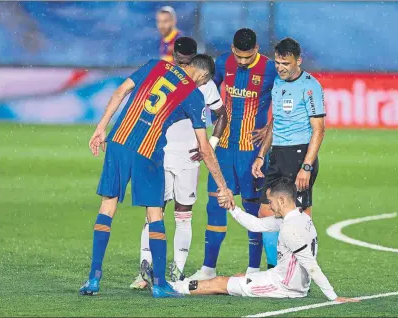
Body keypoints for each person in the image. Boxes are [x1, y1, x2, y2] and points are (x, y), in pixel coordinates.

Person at [79, 54, 235, 298]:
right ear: (203, 76)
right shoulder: (193, 95)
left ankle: (93, 279)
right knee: (155, 213)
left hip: (118, 141)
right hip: (147, 151)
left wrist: (101, 127)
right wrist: (223, 186)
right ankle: (160, 283)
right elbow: (204, 148)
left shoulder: (156, 65)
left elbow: (120, 91)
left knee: (107, 207)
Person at [150, 177, 359, 304]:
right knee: (239, 276)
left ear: (282, 200)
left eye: (271, 202)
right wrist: (233, 208)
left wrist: (333, 296)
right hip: (287, 280)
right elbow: (256, 225)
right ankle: (182, 284)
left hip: (284, 287)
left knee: (221, 283)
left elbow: (311, 266)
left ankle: (175, 287)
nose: (270, 206)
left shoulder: (290, 229)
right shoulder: (299, 218)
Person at [130, 37, 227, 290]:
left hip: (189, 159)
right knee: (154, 212)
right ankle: (145, 270)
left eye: (186, 61)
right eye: (178, 60)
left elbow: (221, 115)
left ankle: (176, 272)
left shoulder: (205, 85)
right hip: (160, 155)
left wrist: (212, 144)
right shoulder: (164, 78)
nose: (181, 65)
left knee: (183, 216)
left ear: (194, 60)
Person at [189, 28, 277, 281]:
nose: (241, 62)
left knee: (253, 210)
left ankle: (253, 270)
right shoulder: (222, 62)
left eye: (247, 58)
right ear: (232, 49)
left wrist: (269, 129)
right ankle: (208, 269)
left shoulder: (270, 69)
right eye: (238, 56)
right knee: (215, 207)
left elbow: (282, 104)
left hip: (251, 152)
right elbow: (204, 91)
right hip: (224, 150)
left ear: (257, 50)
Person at [252, 38, 327, 266]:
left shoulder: (311, 86)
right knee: (266, 213)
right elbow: (275, 122)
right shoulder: (278, 83)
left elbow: (319, 130)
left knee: (300, 219)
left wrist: (306, 166)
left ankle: (303, 270)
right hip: (277, 156)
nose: (280, 67)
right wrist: (261, 155)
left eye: (285, 63)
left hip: (299, 156)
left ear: (298, 61)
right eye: (277, 62)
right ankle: (276, 269)